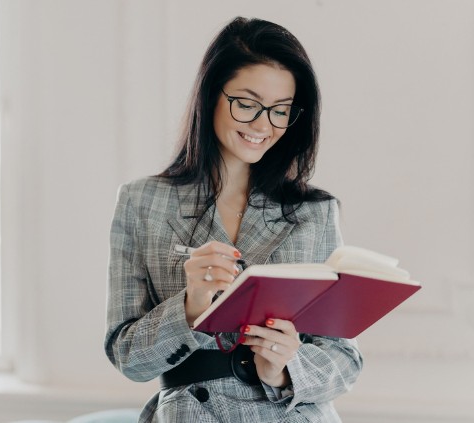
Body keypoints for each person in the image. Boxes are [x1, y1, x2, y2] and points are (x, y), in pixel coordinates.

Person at [105, 17, 363, 422]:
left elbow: (344, 359)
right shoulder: (142, 203)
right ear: (211, 95)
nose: (263, 125)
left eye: (281, 111)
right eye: (246, 103)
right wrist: (190, 308)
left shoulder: (315, 212)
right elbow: (127, 356)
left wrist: (284, 369)